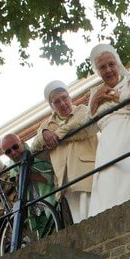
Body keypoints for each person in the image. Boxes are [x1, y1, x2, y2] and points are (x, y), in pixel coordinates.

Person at [87, 43, 130, 216]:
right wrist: (95, 102)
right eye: (102, 67)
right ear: (98, 71)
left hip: (129, 134)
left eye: (111, 64)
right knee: (108, 183)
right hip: (106, 143)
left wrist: (114, 96)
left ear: (117, 63)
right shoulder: (95, 92)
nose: (108, 70)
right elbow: (89, 128)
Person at [32, 81, 98, 224]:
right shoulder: (46, 125)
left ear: (69, 97)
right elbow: (34, 148)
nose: (62, 103)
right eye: (57, 101)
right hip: (64, 180)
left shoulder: (82, 109)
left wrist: (55, 136)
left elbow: (79, 128)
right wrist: (44, 134)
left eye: (64, 98)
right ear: (52, 105)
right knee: (79, 220)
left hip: (87, 170)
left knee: (95, 212)